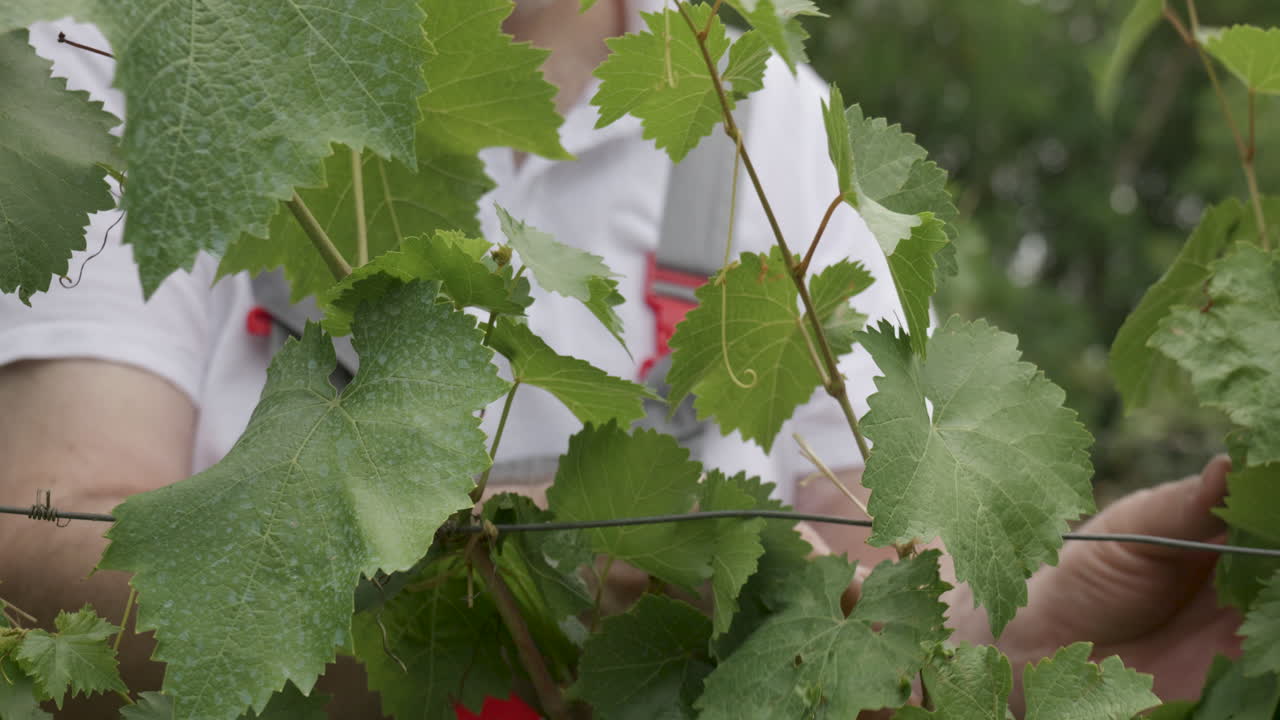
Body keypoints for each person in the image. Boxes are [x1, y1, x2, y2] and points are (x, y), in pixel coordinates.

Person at [0, 0, 1241, 717]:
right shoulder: (140, 48)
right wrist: (549, 569)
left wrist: (1021, 642)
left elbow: (848, 563)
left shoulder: (757, 103)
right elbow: (43, 547)